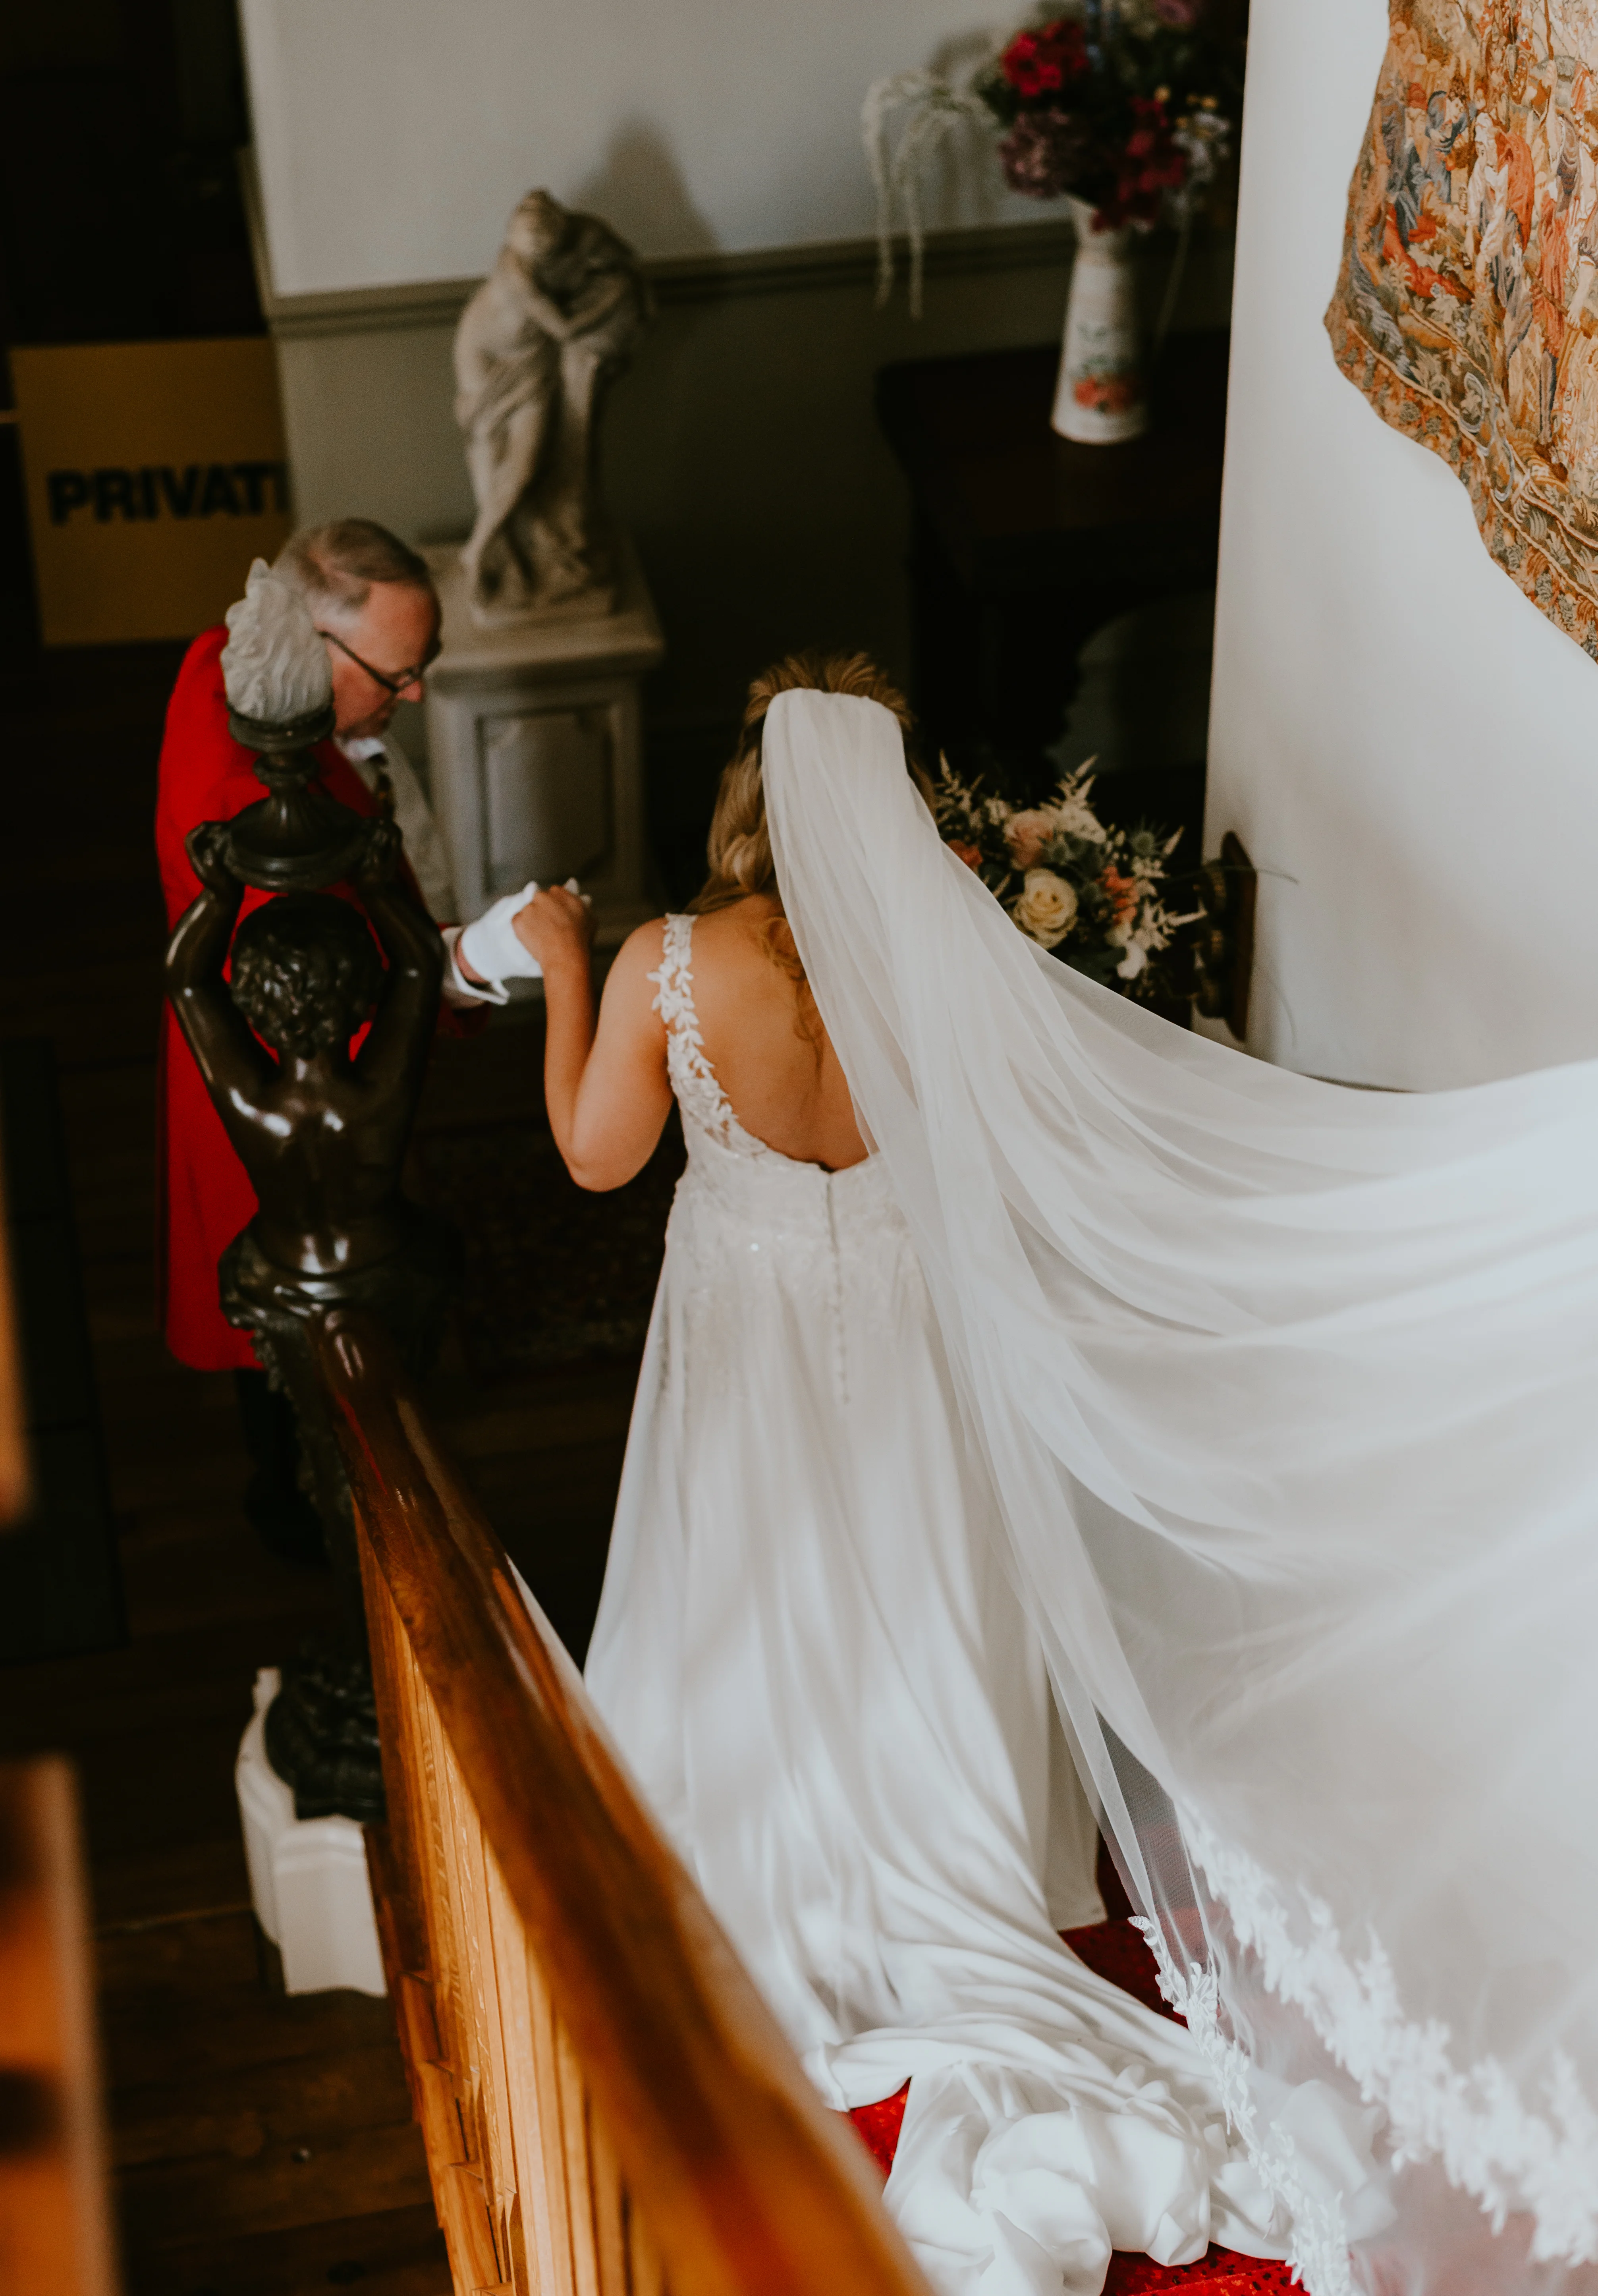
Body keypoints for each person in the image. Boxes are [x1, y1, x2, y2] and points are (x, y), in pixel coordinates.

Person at [511, 652, 1598, 2296]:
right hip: (910, 1325)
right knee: (919, 1574)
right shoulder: (938, 964)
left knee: (765, 1571)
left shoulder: (678, 956)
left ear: (739, 793)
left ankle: (774, 1842)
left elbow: (593, 1157)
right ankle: (947, 1840)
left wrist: (563, 973)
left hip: (747, 1341)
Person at [154, 519, 495, 1562]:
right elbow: (330, 995)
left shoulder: (226, 660)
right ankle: (308, 1516)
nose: (415, 696)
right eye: (398, 673)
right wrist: (466, 970)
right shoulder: (255, 815)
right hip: (279, 1103)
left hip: (230, 1053)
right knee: (297, 1326)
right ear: (316, 641)